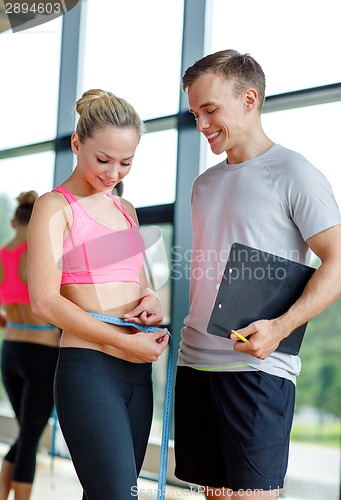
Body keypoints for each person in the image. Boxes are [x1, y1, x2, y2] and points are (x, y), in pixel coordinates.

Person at [174, 49, 341, 499]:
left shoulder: (295, 174)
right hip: (195, 364)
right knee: (214, 495)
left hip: (257, 368)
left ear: (249, 99)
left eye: (210, 110)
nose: (202, 124)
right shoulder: (203, 185)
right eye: (195, 113)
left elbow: (338, 262)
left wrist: (281, 327)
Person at [27, 89, 169, 500]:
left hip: (137, 375)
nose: (113, 173)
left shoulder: (126, 211)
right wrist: (121, 339)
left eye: (126, 163)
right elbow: (45, 300)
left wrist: (150, 302)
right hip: (90, 372)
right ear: (76, 144)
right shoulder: (56, 207)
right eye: (102, 160)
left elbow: (142, 282)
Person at [0, 191, 60, 500]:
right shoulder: (38, 250)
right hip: (42, 352)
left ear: (13, 220)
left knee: (26, 431)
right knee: (30, 435)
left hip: (10, 352)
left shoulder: (2, 254)